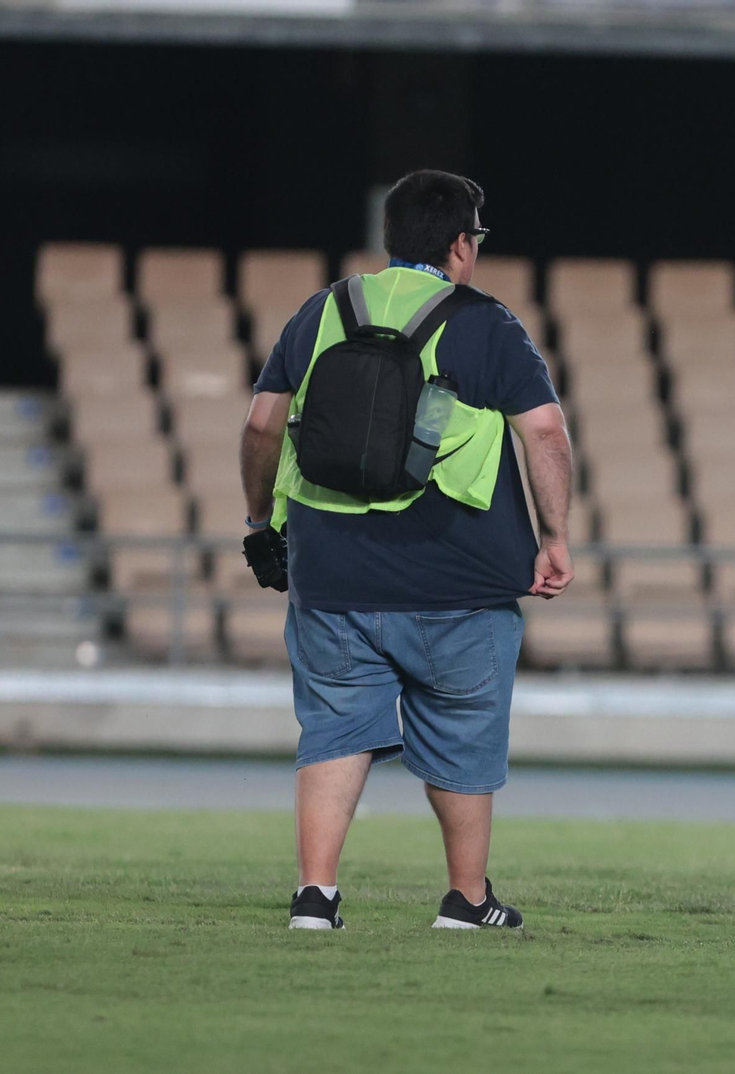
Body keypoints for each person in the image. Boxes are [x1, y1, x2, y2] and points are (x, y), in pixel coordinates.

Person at [239, 169, 573, 931]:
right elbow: (545, 433)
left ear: (390, 241)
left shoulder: (321, 311)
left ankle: (314, 898)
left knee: (333, 729)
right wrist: (553, 537)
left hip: (330, 572)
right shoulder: (486, 323)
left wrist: (262, 520)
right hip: (459, 576)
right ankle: (466, 899)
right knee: (462, 734)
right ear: (461, 245)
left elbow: (262, 425)